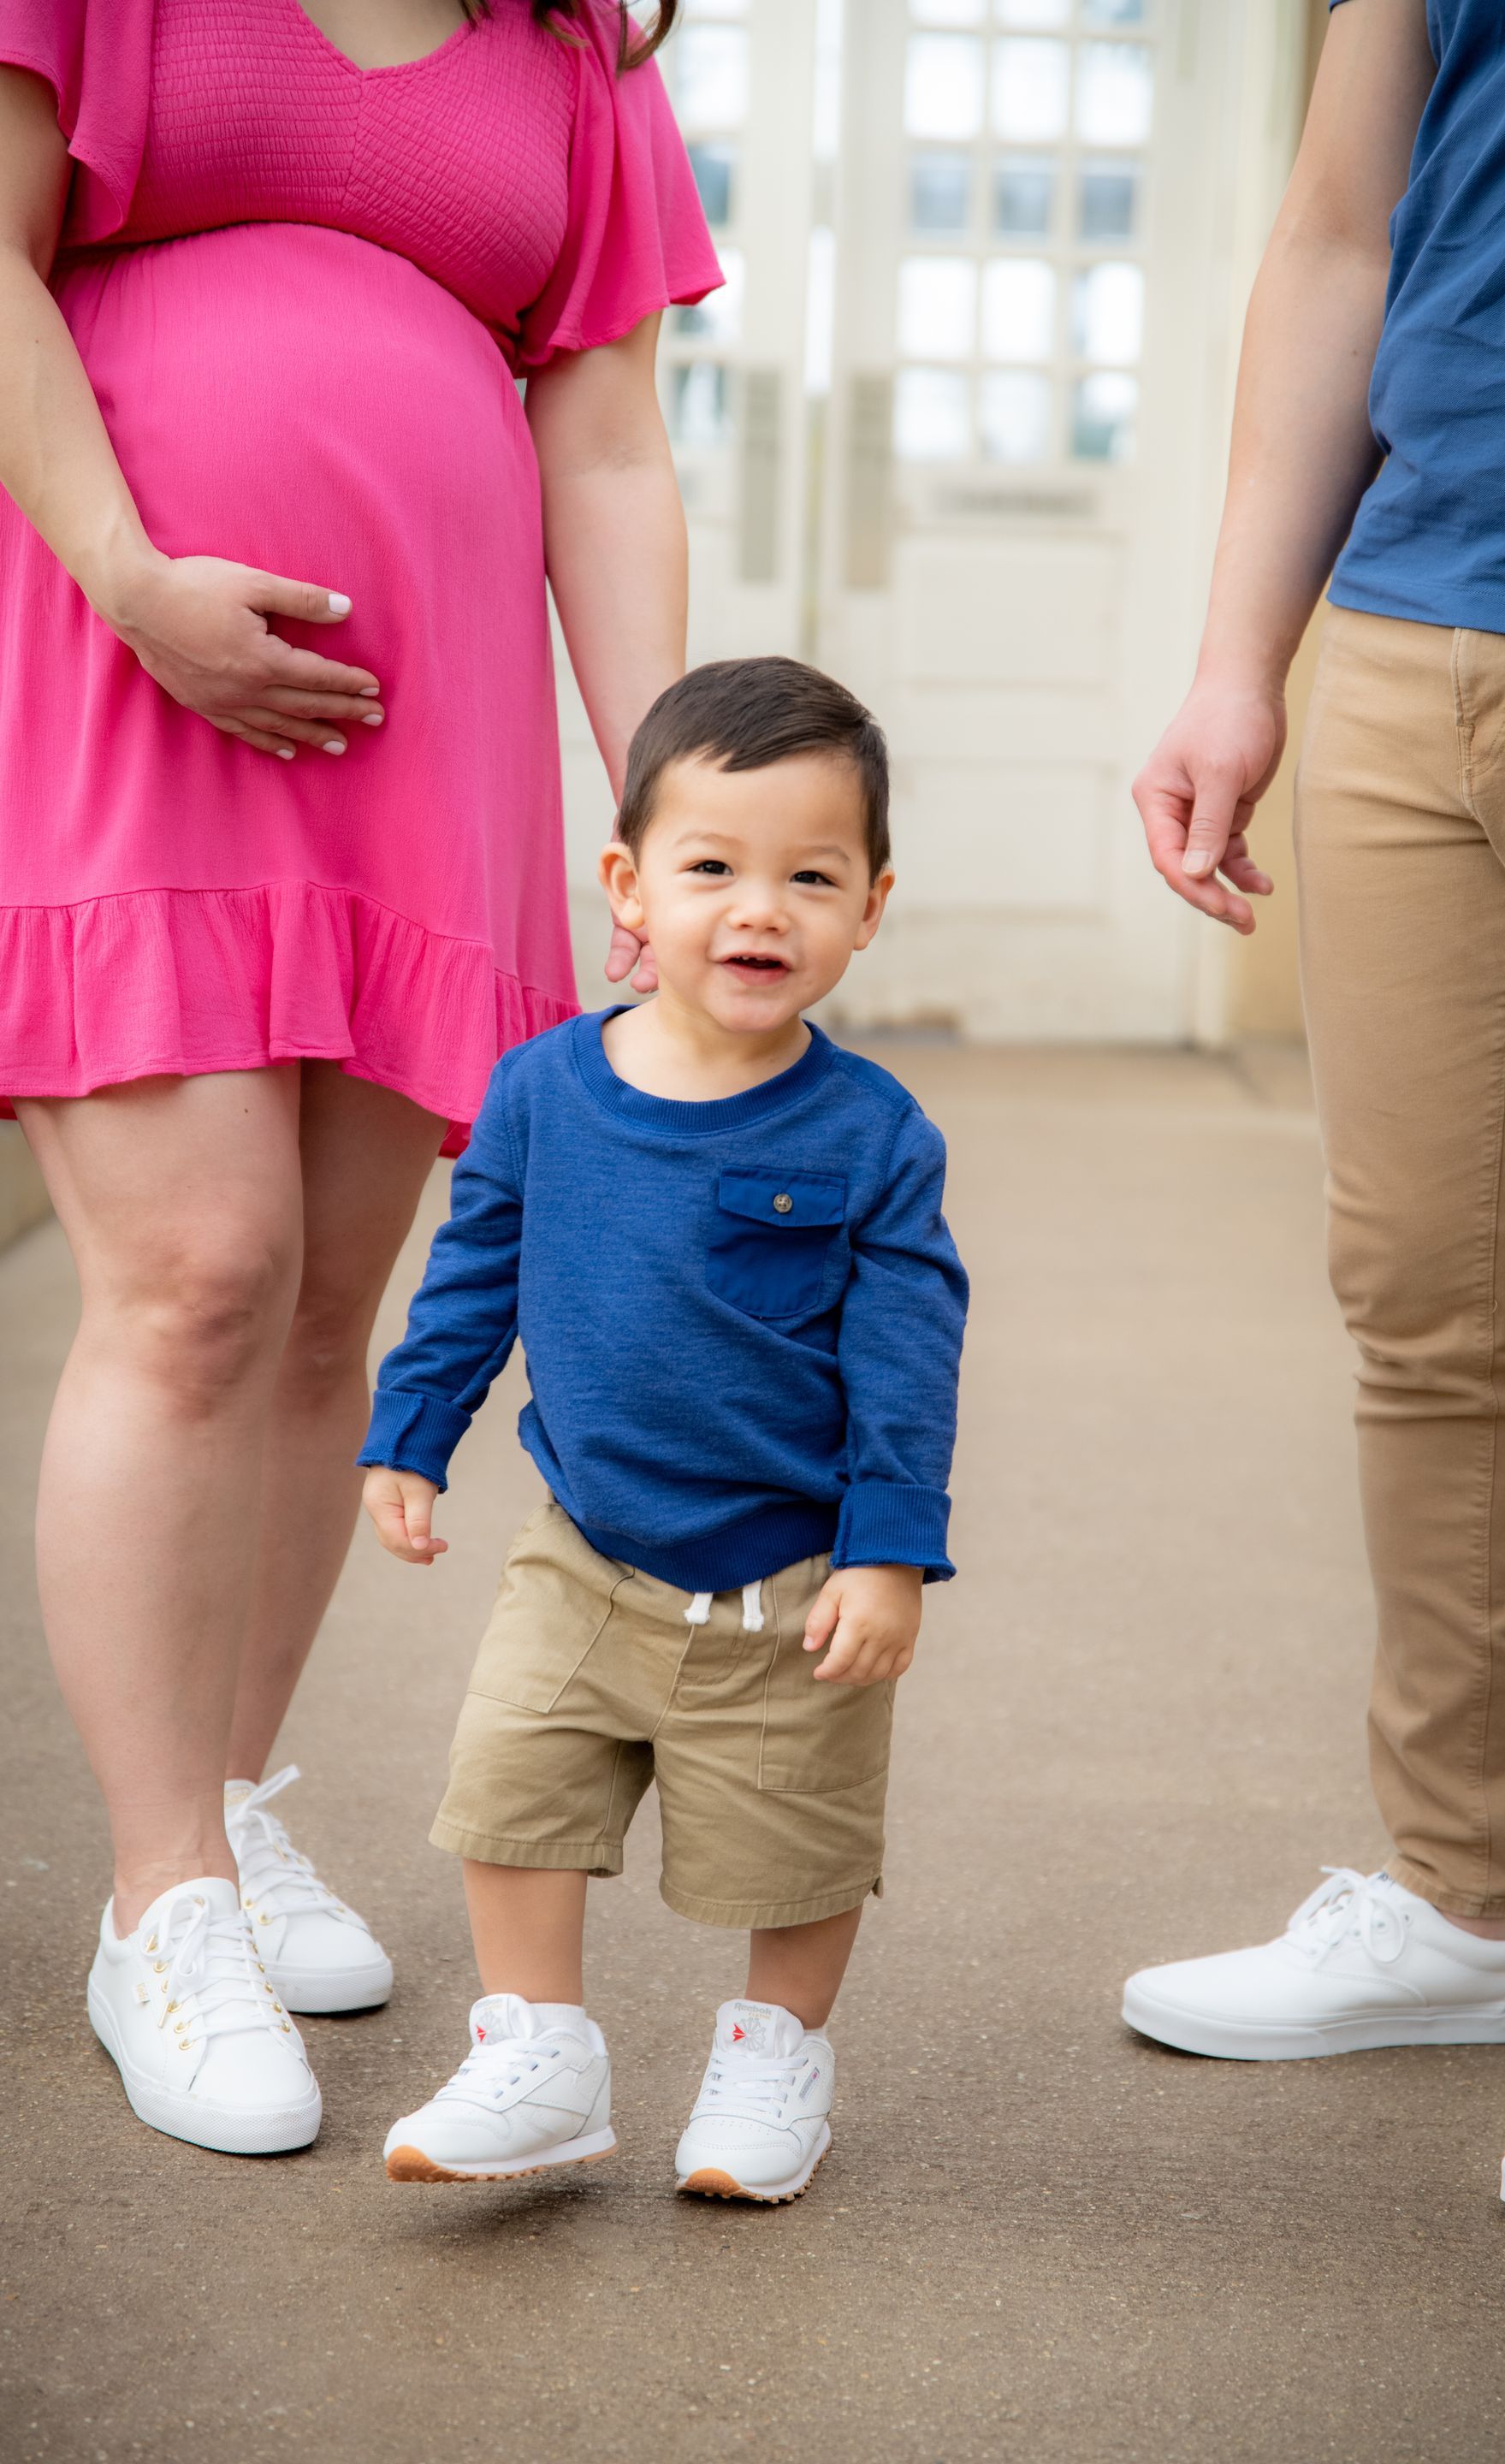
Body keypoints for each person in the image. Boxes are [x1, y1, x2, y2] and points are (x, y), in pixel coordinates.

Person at [0, 0, 719, 2158]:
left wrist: (671, 805)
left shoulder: (576, 42)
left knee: (329, 1304)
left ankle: (221, 1800)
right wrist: (130, 573)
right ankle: (161, 1901)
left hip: (429, 739)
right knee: (199, 1274)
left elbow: (602, 441)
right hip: (131, 666)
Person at [1123, 0, 1505, 2231]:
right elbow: (1344, 229)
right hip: (1423, 615)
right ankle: (1466, 1904)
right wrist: (1244, 651)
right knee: (1428, 1305)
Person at [358, 658, 968, 2204]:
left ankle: (777, 2058)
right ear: (630, 882)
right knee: (510, 1785)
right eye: (714, 869)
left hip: (786, 1579)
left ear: (871, 906)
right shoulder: (541, 1090)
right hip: (583, 1547)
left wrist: (888, 1551)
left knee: (801, 1842)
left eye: (810, 877)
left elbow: (908, 1353)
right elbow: (473, 1272)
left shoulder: (873, 1132)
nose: (761, 910)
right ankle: (539, 2052)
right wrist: (411, 1432)